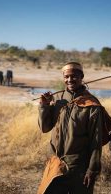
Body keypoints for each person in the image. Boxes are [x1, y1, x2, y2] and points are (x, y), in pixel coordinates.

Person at [37, 62, 105, 194]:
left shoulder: (92, 104)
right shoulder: (57, 99)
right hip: (56, 162)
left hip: (79, 167)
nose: (69, 80)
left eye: (74, 76)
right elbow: (45, 128)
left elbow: (96, 140)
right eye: (66, 77)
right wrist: (44, 106)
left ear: (82, 76)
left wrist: (92, 169)